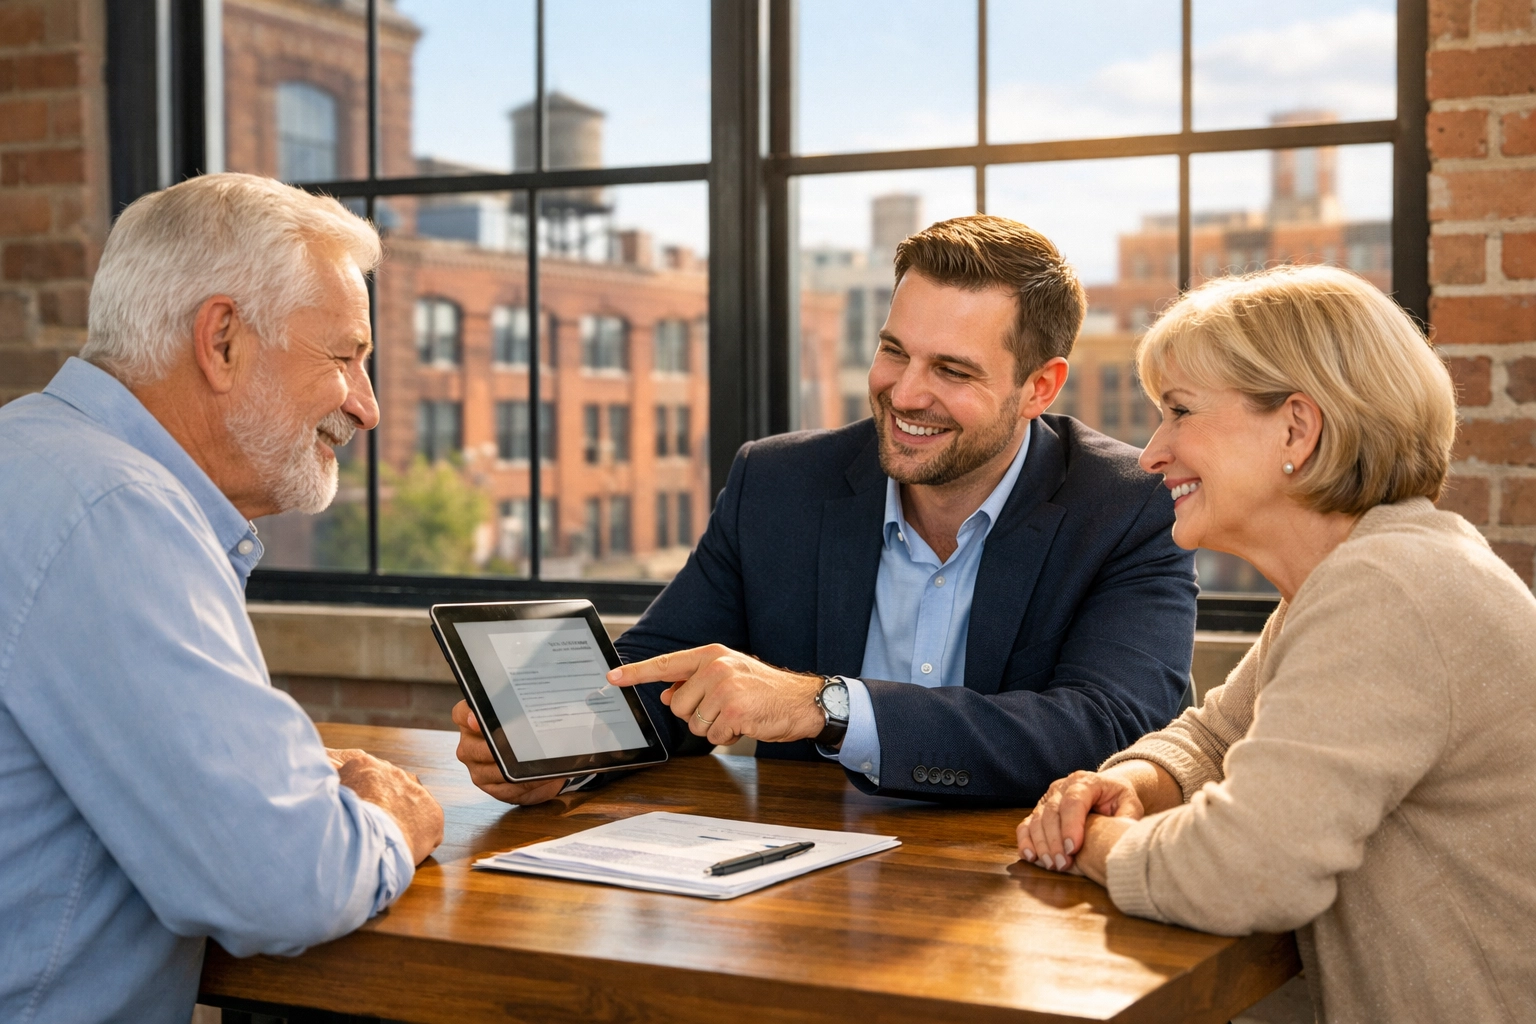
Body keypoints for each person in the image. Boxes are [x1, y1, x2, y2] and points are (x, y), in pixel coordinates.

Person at [455, 215, 1199, 807]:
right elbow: (659, 671)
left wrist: (828, 707)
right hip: (797, 889)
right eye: (893, 351)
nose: (905, 393)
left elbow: (1110, 726)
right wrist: (562, 752)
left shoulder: (1129, 504)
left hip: (1023, 895)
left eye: (952, 370)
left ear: (1040, 387)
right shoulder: (778, 482)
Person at [1016, 265, 1536, 1023]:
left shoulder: (1386, 591)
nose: (1152, 452)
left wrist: (1096, 843)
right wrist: (1133, 781)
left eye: (1180, 411)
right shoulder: (1361, 573)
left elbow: (1243, 872)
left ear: (1297, 426)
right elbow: (1217, 735)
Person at [0, 173, 444, 1024]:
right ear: (223, 340)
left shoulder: (35, 455)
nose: (368, 406)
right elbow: (281, 884)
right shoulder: (117, 510)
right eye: (345, 356)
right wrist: (388, 821)